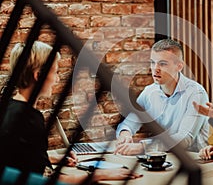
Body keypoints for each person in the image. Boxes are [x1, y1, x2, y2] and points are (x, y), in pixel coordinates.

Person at [0, 41, 141, 183]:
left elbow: (17, 159)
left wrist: (52, 158)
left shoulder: (8, 108)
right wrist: (100, 175)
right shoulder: (29, 119)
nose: (58, 79)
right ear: (38, 75)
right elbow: (45, 179)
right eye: (55, 72)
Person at [115, 39, 209, 155]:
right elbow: (129, 122)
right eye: (153, 62)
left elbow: (185, 138)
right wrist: (125, 133)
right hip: (160, 159)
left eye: (162, 64)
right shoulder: (149, 92)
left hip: (194, 162)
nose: (155, 68)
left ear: (179, 66)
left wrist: (143, 147)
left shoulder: (196, 94)